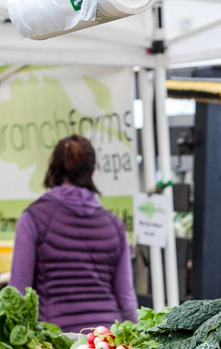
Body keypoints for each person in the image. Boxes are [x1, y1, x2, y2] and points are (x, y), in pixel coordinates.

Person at [8, 134, 138, 333]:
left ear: (52, 170)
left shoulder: (32, 218)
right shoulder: (115, 225)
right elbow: (127, 299)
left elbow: (18, 296)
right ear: (92, 173)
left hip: (55, 347)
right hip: (107, 347)